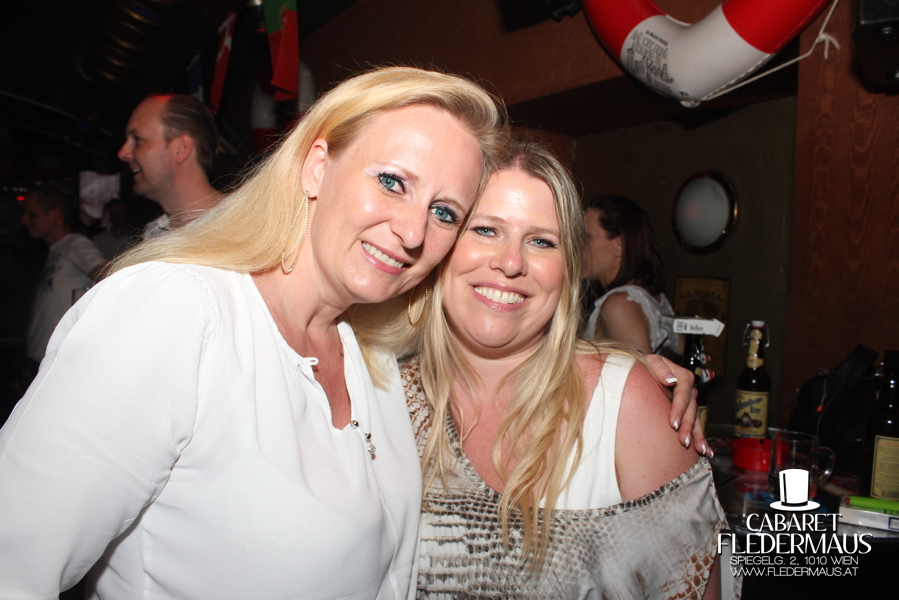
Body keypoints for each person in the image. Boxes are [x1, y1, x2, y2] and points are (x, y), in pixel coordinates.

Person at [0, 66, 507, 599]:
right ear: (316, 167)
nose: (413, 231)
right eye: (392, 182)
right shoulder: (174, 312)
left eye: (444, 212)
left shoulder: (371, 353)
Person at [397, 141, 729, 598]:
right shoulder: (381, 394)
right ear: (441, 245)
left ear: (568, 270)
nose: (511, 262)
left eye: (541, 241)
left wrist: (629, 379)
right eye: (486, 230)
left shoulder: (625, 405)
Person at [582, 194, 679, 358]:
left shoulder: (619, 305)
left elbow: (641, 373)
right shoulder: (657, 299)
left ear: (619, 246)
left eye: (586, 237)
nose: (576, 245)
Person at [20, 186, 107, 365]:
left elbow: (109, 274)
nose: (24, 220)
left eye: (32, 214)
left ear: (55, 215)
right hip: (41, 359)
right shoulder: (56, 250)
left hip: (60, 362)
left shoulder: (75, 244)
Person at [117, 93, 224, 238]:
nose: (122, 153)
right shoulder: (154, 234)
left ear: (181, 148)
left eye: (137, 139)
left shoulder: (243, 226)